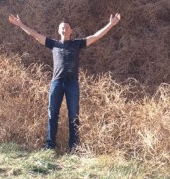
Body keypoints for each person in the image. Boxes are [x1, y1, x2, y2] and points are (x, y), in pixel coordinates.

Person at [8, 13, 121, 151]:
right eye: (62, 28)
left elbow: (96, 37)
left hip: (72, 83)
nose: (64, 30)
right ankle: (50, 145)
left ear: (71, 31)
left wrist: (111, 24)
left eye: (67, 28)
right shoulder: (53, 44)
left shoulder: (76, 44)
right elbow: (35, 35)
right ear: (58, 31)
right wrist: (20, 25)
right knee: (52, 113)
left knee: (74, 115)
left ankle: (74, 147)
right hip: (56, 82)